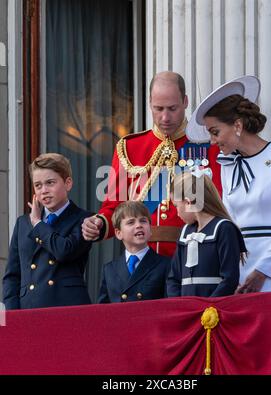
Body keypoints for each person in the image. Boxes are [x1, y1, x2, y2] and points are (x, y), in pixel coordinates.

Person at [82, 71, 221, 257]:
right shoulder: (130, 148)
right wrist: (99, 223)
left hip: (195, 255)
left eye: (172, 109)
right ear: (149, 103)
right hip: (142, 258)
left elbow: (221, 205)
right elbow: (114, 207)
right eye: (158, 108)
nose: (165, 117)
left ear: (185, 101)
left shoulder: (209, 146)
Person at [187, 75, 271, 293]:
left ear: (237, 125)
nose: (212, 141)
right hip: (234, 269)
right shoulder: (228, 166)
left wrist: (262, 271)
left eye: (215, 132)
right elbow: (228, 222)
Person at [2, 153, 92, 309]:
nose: (43, 190)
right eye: (38, 185)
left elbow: (64, 251)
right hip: (29, 309)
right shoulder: (23, 223)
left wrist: (38, 224)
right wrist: (13, 314)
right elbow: (12, 275)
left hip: (68, 308)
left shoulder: (85, 219)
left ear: (68, 183)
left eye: (50, 183)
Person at [167, 170, 246, 297]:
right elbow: (173, 278)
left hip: (213, 310)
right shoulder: (185, 232)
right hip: (186, 308)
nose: (177, 213)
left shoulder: (224, 228)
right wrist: (178, 305)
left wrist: (208, 307)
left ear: (188, 202)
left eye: (176, 205)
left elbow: (229, 279)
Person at [98, 201, 170, 303]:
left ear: (150, 229)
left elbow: (169, 306)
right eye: (131, 222)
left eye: (143, 221)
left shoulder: (166, 265)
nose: (139, 225)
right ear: (118, 233)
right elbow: (103, 310)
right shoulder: (109, 269)